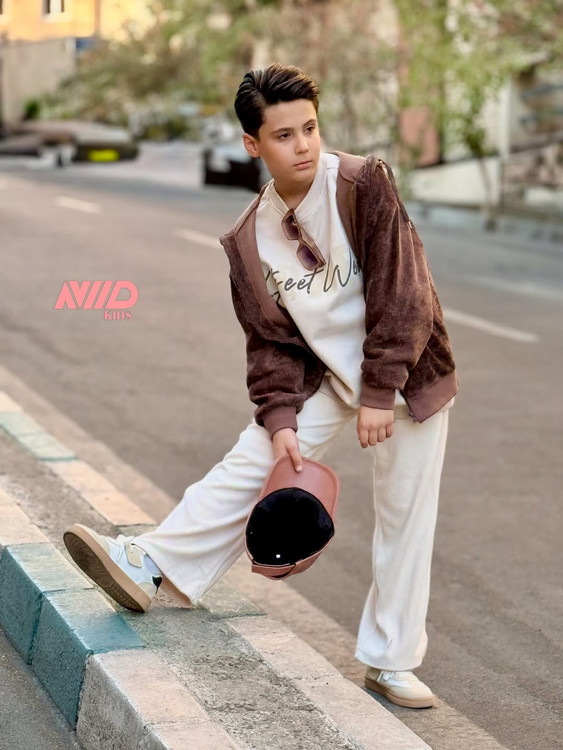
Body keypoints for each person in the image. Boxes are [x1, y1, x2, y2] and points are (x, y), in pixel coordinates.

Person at [63, 63, 457, 710]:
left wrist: (379, 392)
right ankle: (149, 562)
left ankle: (390, 662)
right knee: (254, 459)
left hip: (406, 377)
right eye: (283, 135)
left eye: (310, 128)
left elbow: (404, 294)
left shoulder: (362, 184)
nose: (303, 145)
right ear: (253, 144)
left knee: (405, 514)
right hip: (326, 378)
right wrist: (280, 421)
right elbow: (270, 345)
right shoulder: (249, 240)